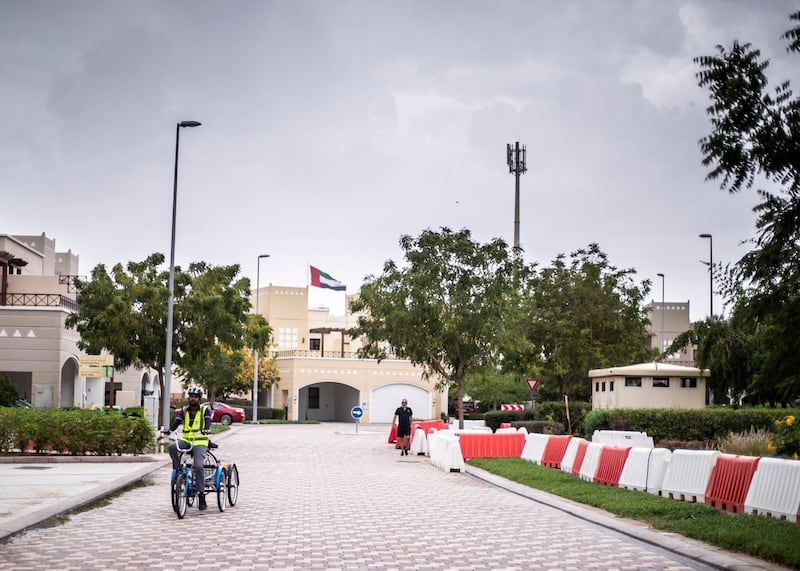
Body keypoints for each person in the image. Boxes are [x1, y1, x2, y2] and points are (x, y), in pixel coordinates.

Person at [166, 386, 213, 510]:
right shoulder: (184, 410)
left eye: (195, 397)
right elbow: (177, 422)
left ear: (199, 398)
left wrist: (206, 429)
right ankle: (178, 471)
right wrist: (169, 430)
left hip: (200, 442)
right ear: (188, 397)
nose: (193, 399)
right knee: (171, 447)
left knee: (198, 466)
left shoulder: (205, 410)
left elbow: (208, 420)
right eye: (191, 396)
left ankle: (201, 495)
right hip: (186, 441)